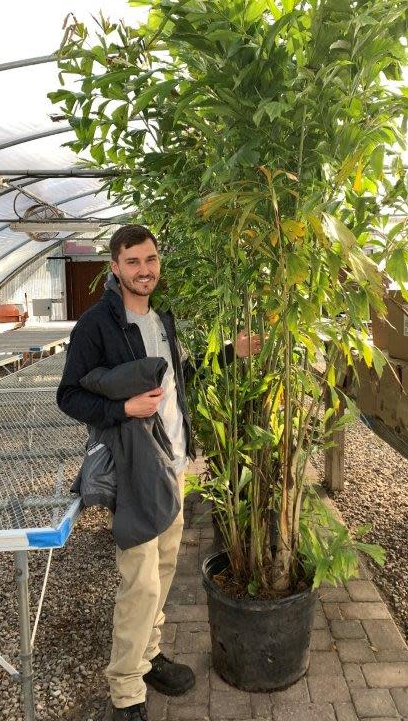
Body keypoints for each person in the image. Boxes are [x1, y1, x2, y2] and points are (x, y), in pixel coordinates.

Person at [57, 224, 260, 721]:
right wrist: (123, 407)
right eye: (132, 262)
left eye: (150, 260)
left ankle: (147, 658)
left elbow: (182, 379)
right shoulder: (97, 325)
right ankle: (126, 691)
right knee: (140, 583)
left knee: (164, 572)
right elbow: (69, 397)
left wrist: (233, 353)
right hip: (134, 471)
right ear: (115, 268)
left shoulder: (163, 321)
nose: (143, 270)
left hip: (173, 466)